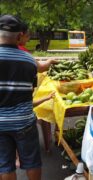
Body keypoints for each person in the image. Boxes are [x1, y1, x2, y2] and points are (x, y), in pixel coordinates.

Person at [0, 15, 41, 180]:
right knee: (32, 162)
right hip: (24, 121)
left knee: (5, 165)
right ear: (19, 36)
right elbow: (30, 90)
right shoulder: (30, 60)